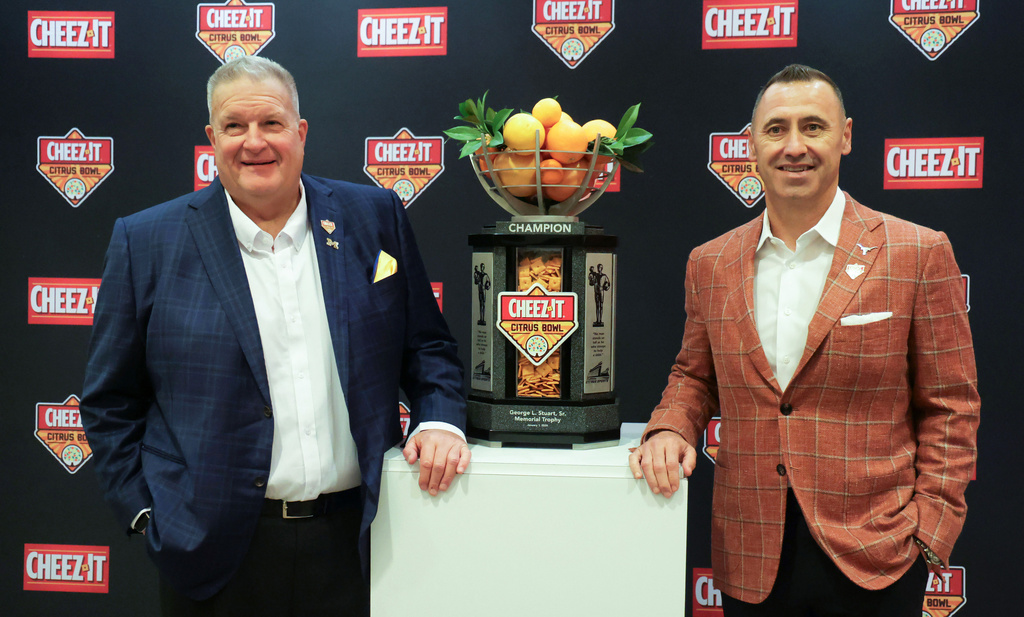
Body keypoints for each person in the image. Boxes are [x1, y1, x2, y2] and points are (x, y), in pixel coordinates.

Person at [80, 55, 470, 616]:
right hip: (213, 554)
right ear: (212, 138)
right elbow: (109, 398)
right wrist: (144, 513)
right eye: (234, 126)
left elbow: (427, 346)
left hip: (360, 544)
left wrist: (437, 419)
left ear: (300, 131)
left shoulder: (372, 215)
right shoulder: (147, 241)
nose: (253, 142)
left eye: (271, 124)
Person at [628, 64, 979, 616]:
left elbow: (951, 406)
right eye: (776, 129)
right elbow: (694, 375)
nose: (795, 146)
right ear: (750, 144)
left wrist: (930, 529)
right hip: (750, 555)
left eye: (813, 126)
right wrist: (670, 426)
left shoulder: (918, 252)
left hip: (878, 556)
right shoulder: (711, 262)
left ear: (846, 136)